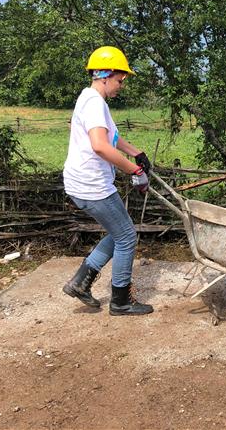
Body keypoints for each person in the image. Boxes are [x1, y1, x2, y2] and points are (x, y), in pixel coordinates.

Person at [62, 46, 155, 316]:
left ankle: (81, 282)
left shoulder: (92, 100)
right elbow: (100, 146)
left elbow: (111, 137)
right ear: (105, 75)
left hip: (88, 182)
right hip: (91, 185)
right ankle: (121, 301)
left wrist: (135, 152)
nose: (121, 86)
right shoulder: (94, 102)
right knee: (126, 236)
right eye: (119, 80)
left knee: (120, 231)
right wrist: (134, 172)